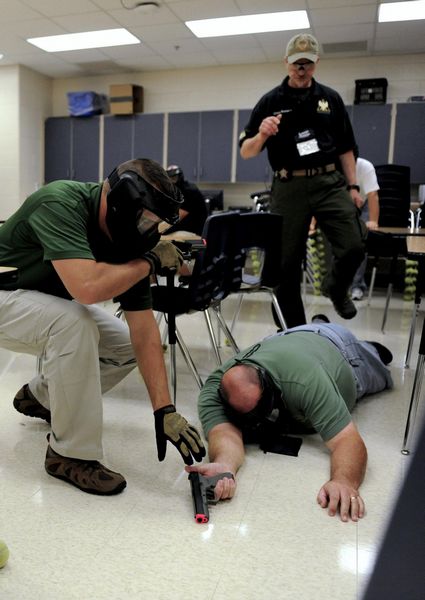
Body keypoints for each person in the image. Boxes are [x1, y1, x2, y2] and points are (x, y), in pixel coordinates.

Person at [0, 158, 205, 496]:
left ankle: (41, 397)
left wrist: (164, 409)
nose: (149, 231)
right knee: (73, 323)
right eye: (146, 219)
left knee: (124, 345)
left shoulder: (130, 243)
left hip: (37, 302)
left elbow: (144, 333)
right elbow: (87, 288)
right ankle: (70, 455)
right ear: (121, 203)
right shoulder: (60, 201)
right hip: (5, 292)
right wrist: (149, 262)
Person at [187, 315, 393, 522]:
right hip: (290, 341)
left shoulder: (306, 380)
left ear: (269, 388)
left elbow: (347, 440)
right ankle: (317, 323)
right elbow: (224, 432)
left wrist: (344, 481)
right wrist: (224, 464)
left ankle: (367, 347)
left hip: (340, 348)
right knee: (302, 348)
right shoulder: (213, 389)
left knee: (382, 362)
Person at [239, 33, 366, 328]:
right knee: (285, 265)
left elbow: (346, 147)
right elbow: (246, 151)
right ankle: (293, 330)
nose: (301, 69)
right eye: (296, 63)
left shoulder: (330, 99)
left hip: (329, 182)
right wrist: (262, 134)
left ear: (316, 64)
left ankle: (336, 287)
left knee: (353, 245)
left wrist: (354, 186)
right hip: (289, 186)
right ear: (286, 63)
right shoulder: (270, 101)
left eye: (307, 63)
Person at [350, 156, 380, 300]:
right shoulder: (333, 166)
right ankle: (339, 284)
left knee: (359, 242)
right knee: (337, 241)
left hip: (365, 202)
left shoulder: (366, 166)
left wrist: (373, 221)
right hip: (341, 202)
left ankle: (357, 285)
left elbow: (373, 195)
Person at [165, 165, 208, 236]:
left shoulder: (188, 190)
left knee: (161, 235)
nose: (172, 181)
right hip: (185, 224)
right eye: (169, 178)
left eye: (174, 178)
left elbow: (179, 216)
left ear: (180, 177)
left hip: (195, 229)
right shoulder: (176, 190)